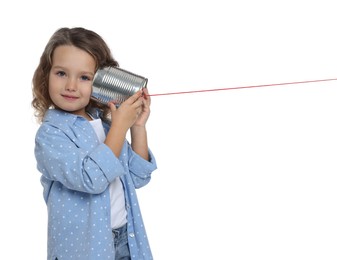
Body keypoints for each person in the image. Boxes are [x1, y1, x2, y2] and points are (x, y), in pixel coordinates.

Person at [32, 27, 157, 260]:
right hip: (83, 249)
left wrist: (136, 127)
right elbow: (91, 178)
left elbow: (138, 177)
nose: (71, 85)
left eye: (84, 77)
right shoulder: (51, 136)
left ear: (100, 83)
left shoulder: (106, 127)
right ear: (46, 75)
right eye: (61, 73)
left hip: (126, 239)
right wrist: (120, 126)